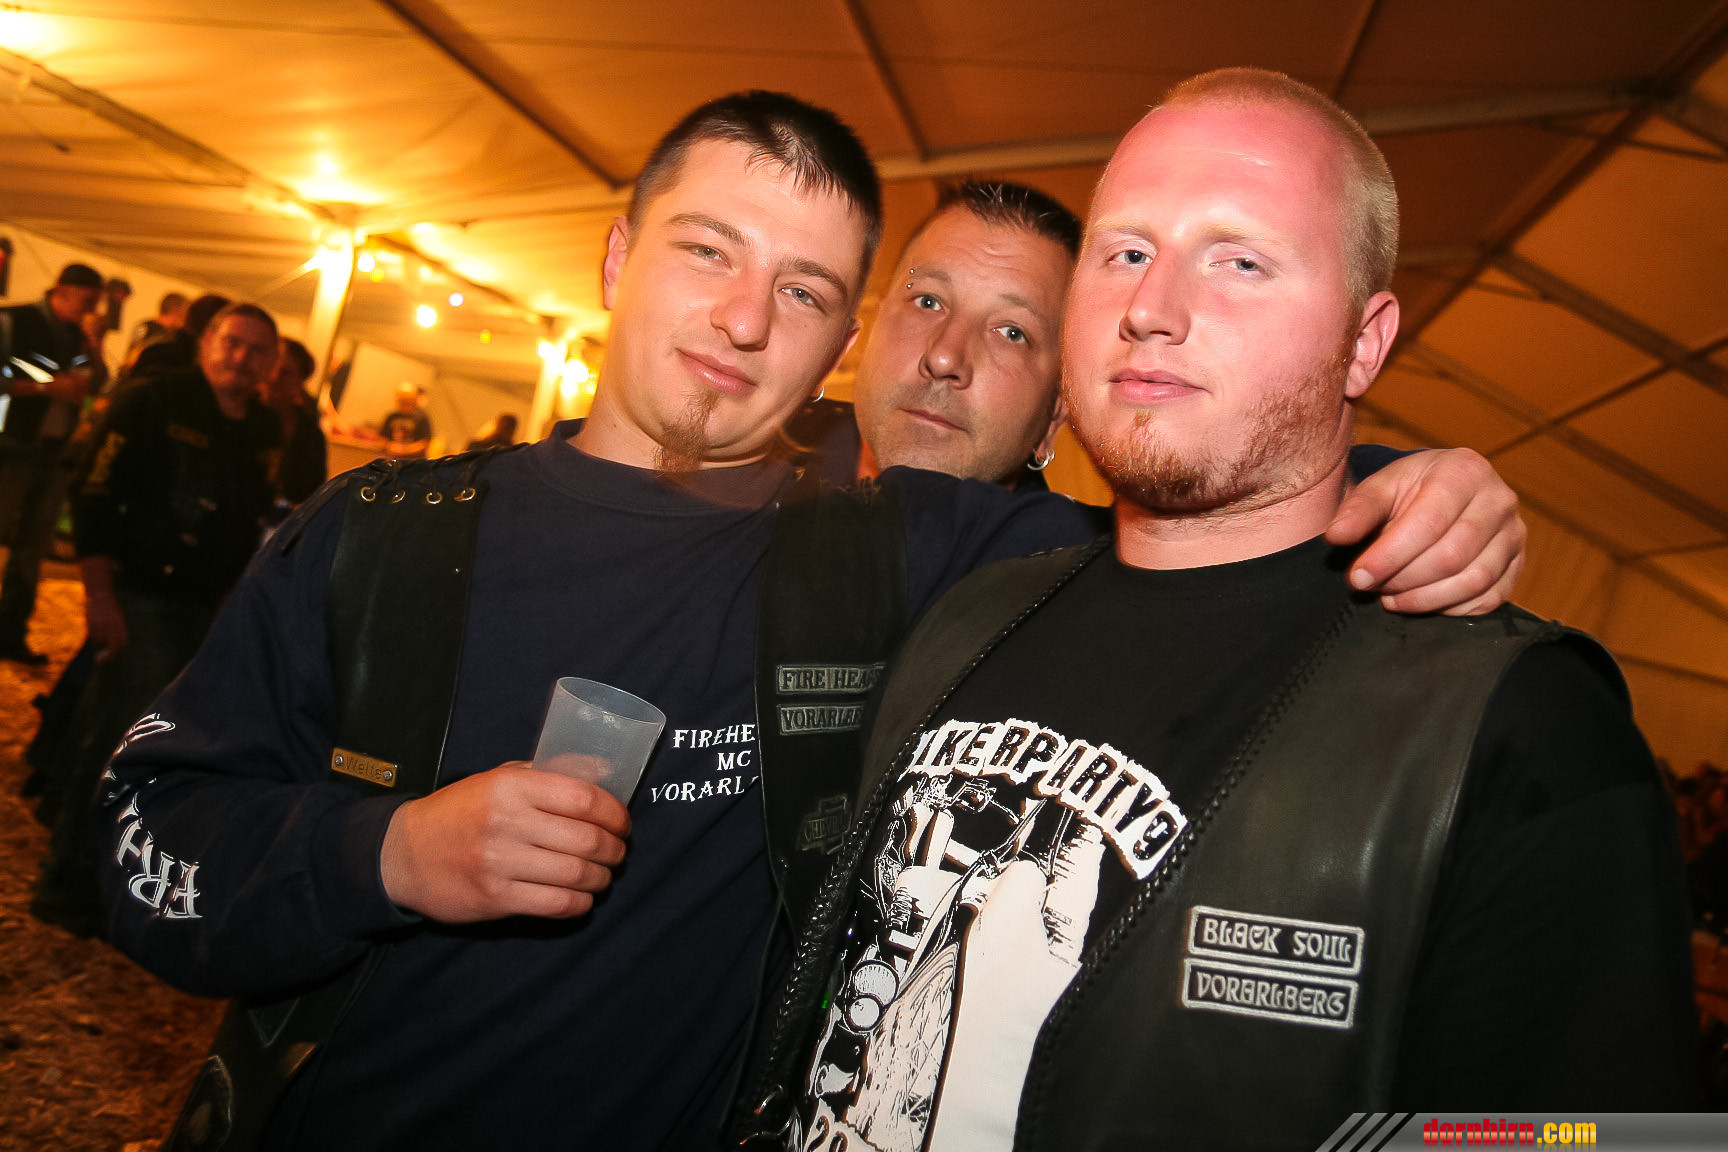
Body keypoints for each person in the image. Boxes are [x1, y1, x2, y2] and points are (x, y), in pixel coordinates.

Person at [95, 91, 1521, 1152]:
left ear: (840, 339)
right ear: (616, 258)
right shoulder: (385, 536)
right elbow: (138, 840)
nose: (742, 318)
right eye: (706, 251)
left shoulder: (891, 551)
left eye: (804, 290)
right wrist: (388, 854)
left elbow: (1214, 504)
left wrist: (1402, 483)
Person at [733, 69, 1693, 1150]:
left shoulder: (1518, 729)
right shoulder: (968, 617)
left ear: (1365, 342)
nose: (1151, 308)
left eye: (1239, 261)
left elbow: (1591, 1135)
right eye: (1125, 253)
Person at [790, 179, 1522, 611]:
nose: (946, 356)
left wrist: (1412, 487)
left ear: (1055, 418)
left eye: (1012, 332)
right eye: (926, 302)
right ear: (862, 332)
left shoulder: (1072, 572)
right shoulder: (754, 477)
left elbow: (1260, 525)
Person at [31, 303, 281, 937]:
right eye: (232, 342)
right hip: (138, 595)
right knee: (117, 742)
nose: (241, 358)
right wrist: (99, 597)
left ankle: (109, 878)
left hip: (205, 610)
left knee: (153, 748)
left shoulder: (261, 430)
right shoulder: (152, 400)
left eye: (257, 350)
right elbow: (92, 494)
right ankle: (68, 882)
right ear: (207, 342)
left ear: (271, 364)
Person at [0, 262, 106, 664]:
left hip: (53, 454)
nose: (92, 310)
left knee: (32, 551)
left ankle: (10, 634)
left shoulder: (78, 335)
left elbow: (96, 383)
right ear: (63, 290)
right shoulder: (14, 321)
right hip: (11, 447)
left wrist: (95, 344)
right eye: (88, 301)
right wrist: (45, 387)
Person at [264, 337, 328, 507]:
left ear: (300, 382)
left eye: (285, 373)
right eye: (270, 367)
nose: (274, 377)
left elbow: (315, 493)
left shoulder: (310, 436)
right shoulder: (240, 415)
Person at [380, 381, 432, 457]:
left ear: (414, 399)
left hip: (413, 460)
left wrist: (404, 450)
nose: (405, 402)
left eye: (408, 399)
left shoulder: (422, 418)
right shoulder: (392, 417)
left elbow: (425, 444)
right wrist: (390, 447)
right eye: (402, 399)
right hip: (391, 458)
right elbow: (382, 440)